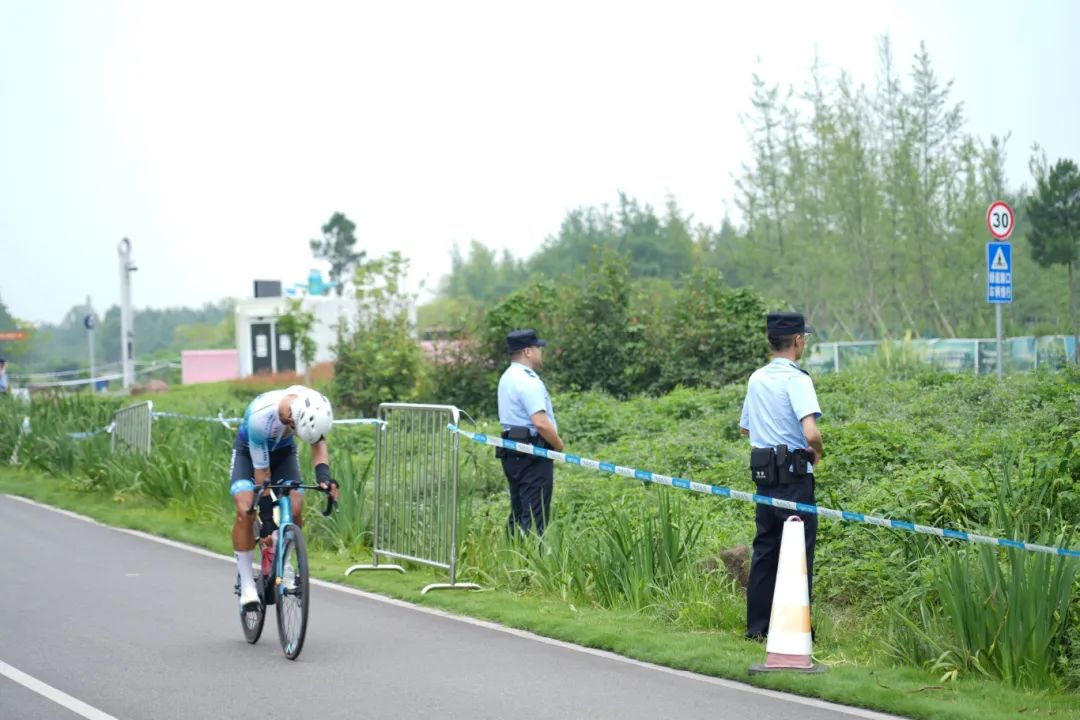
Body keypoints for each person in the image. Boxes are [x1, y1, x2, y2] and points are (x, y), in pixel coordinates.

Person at [739, 312, 824, 641]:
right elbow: (811, 432)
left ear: (769, 340)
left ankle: (758, 630)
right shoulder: (798, 380)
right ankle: (795, 631)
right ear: (798, 340)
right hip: (794, 478)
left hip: (764, 476)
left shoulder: (756, 378)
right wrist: (818, 450)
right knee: (797, 553)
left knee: (765, 550)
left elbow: (746, 428)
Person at [230, 385, 338, 608]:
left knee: (295, 508)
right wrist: (267, 519)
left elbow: (318, 441)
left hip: (283, 452)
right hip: (249, 453)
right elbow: (262, 474)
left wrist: (324, 478)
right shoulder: (261, 417)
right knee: (245, 511)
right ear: (291, 420)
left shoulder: (311, 402)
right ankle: (247, 583)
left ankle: (284, 564)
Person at [497, 329, 564, 535]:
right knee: (535, 515)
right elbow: (541, 423)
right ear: (528, 351)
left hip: (512, 449)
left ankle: (512, 552)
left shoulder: (508, 377)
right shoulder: (528, 380)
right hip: (533, 452)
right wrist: (558, 445)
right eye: (538, 348)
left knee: (519, 511)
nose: (540, 352)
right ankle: (532, 554)